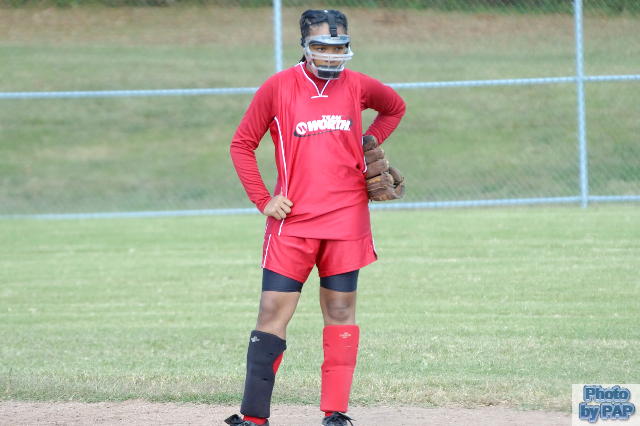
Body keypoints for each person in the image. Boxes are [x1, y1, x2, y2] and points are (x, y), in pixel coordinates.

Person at [224, 9, 405, 426]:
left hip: (347, 219)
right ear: (304, 47)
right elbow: (242, 144)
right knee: (272, 309)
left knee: (340, 310)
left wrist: (368, 141)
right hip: (293, 222)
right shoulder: (279, 86)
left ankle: (335, 413)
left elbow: (395, 107)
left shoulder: (357, 85)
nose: (331, 55)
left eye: (339, 47)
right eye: (322, 46)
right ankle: (254, 418)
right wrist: (263, 199)